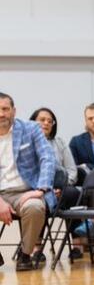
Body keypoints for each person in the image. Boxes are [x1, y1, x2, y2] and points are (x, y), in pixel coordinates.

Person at [0, 93, 56, 272]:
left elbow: (48, 158)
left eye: (5, 109)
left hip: (26, 191)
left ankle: (25, 254)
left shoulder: (31, 129)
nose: (1, 114)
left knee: (35, 207)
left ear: (14, 111)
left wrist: (40, 189)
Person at [28, 107, 78, 265]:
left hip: (61, 188)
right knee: (38, 202)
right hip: (35, 189)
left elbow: (72, 171)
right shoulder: (25, 143)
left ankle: (78, 244)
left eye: (50, 121)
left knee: (74, 194)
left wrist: (61, 188)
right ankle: (36, 249)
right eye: (42, 120)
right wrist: (44, 190)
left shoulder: (59, 142)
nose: (46, 123)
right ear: (32, 122)